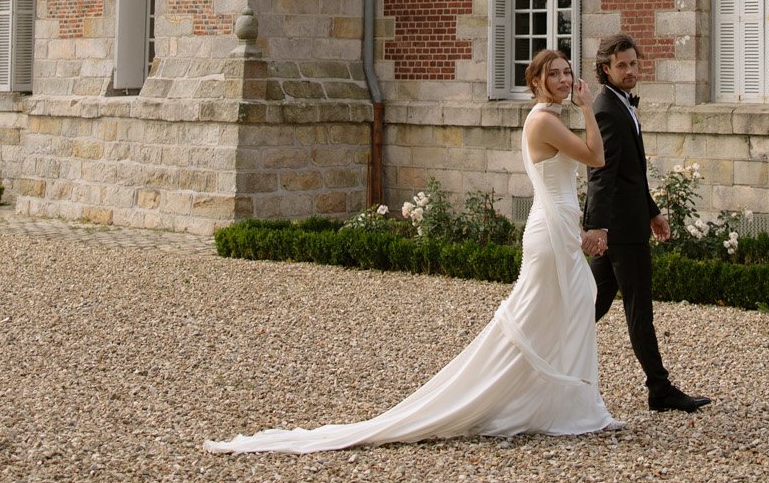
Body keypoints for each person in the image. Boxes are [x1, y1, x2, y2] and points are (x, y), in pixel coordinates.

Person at [205, 50, 621, 454]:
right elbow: (596, 156)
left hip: (559, 226)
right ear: (537, 82)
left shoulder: (549, 118)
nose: (565, 80)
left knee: (568, 308)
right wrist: (587, 107)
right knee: (556, 310)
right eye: (555, 75)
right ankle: (528, 401)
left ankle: (556, 403)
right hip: (549, 232)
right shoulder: (544, 121)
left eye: (568, 73)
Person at [585, 32, 711, 414]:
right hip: (621, 232)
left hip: (627, 223)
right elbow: (601, 173)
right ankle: (659, 389)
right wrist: (599, 227)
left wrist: (653, 210)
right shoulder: (606, 107)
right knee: (639, 311)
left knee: (590, 304)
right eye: (621, 65)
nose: (629, 71)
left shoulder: (621, 104)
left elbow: (631, 173)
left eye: (633, 63)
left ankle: (550, 355)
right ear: (606, 69)